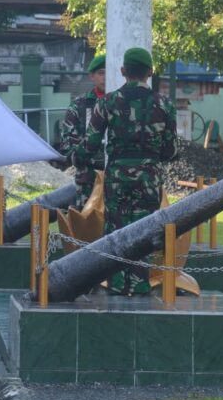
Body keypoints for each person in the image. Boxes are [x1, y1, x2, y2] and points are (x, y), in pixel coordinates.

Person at [73, 47, 178, 296]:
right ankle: (140, 285)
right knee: (145, 229)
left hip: (118, 177)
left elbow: (90, 145)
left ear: (122, 71)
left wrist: (77, 158)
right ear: (150, 73)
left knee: (117, 229)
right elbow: (171, 151)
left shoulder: (107, 102)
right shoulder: (164, 104)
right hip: (149, 177)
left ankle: (118, 284)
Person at [58, 53, 107, 206]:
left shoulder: (124, 104)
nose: (105, 77)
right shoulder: (79, 106)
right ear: (92, 76)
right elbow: (68, 147)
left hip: (120, 180)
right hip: (88, 180)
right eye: (101, 73)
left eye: (108, 72)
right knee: (87, 224)